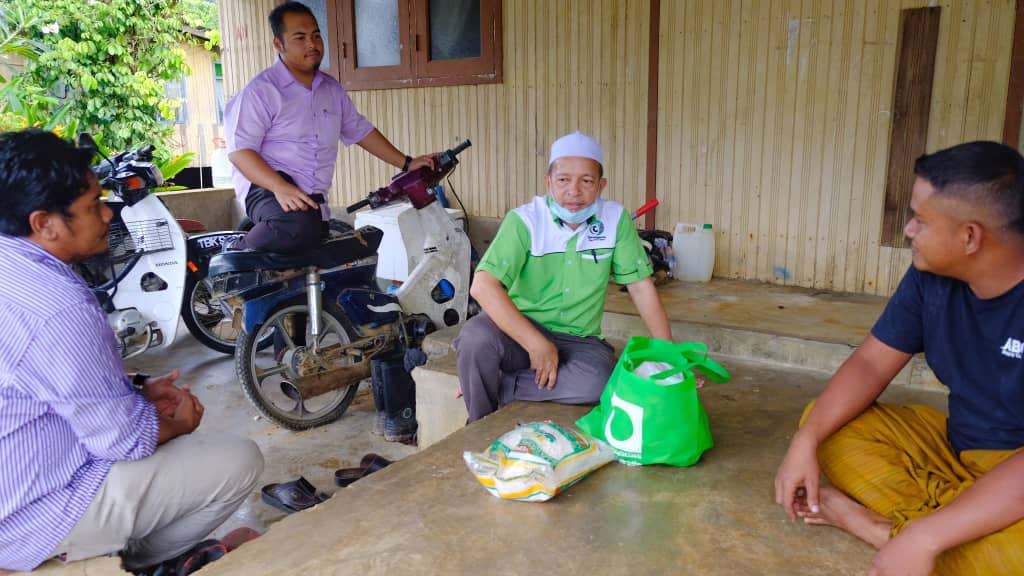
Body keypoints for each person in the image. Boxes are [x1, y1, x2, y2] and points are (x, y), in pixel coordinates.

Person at [0, 129, 264, 573]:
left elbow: (42, 376)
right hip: (29, 517)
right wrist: (177, 424)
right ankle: (139, 563)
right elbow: (126, 440)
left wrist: (136, 388)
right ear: (44, 223)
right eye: (93, 206)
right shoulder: (57, 306)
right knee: (238, 461)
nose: (107, 214)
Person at [774, 141, 1024, 576]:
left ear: (969, 237)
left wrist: (925, 537)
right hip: (954, 449)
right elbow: (871, 363)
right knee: (827, 424)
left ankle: (886, 529)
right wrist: (806, 440)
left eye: (920, 220)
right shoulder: (932, 275)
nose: (909, 230)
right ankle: (961, 522)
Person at [454, 131, 674, 422]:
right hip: (518, 332)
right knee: (476, 338)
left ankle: (499, 384)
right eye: (563, 180)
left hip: (579, 340)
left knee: (599, 383)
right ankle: (479, 425)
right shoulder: (525, 221)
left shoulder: (615, 220)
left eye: (586, 181)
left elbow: (641, 287)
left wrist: (670, 358)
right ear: (548, 183)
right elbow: (483, 287)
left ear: (601, 185)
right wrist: (536, 343)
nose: (574, 191)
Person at [224, 1, 436, 253]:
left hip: (312, 201)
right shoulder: (261, 91)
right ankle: (235, 253)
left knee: (339, 245)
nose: (312, 44)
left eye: (316, 35)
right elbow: (240, 152)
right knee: (297, 227)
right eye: (300, 38)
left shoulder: (331, 89)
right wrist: (280, 187)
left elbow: (360, 130)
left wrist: (408, 163)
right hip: (267, 188)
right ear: (279, 44)